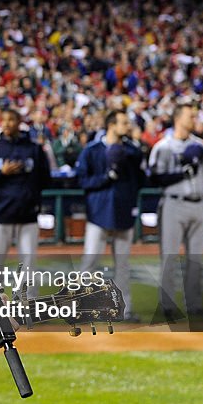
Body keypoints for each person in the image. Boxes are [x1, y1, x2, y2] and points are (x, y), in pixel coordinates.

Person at [75, 110, 145, 322]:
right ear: (111, 125)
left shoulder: (133, 151)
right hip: (98, 213)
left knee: (122, 265)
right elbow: (83, 181)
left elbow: (141, 180)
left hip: (124, 212)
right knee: (90, 262)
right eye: (124, 122)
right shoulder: (92, 150)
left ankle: (125, 309)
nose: (128, 126)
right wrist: (106, 177)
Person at [148, 102, 203, 318]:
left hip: (198, 203)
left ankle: (194, 303)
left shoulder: (201, 145)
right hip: (173, 203)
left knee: (196, 258)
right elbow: (155, 178)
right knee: (169, 257)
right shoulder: (162, 146)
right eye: (190, 116)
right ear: (177, 118)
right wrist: (182, 172)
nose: (194, 119)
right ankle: (167, 305)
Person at [0, 109, 51, 272]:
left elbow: (46, 179)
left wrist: (29, 190)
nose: (7, 123)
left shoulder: (34, 149)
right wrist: (1, 173)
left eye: (11, 119)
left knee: (29, 266)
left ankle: (28, 298)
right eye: (4, 120)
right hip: (0, 214)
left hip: (27, 214)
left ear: (19, 122)